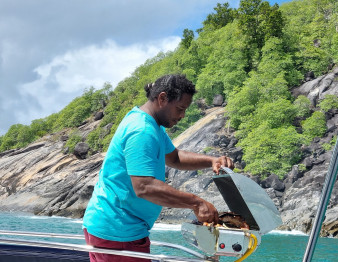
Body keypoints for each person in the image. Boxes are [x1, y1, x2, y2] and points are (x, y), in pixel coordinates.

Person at [83, 74, 234, 262]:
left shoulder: (152, 125)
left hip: (115, 226)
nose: (182, 116)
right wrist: (196, 202)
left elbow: (175, 158)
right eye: (180, 109)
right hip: (118, 231)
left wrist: (211, 160)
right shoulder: (142, 130)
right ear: (162, 98)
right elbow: (144, 187)